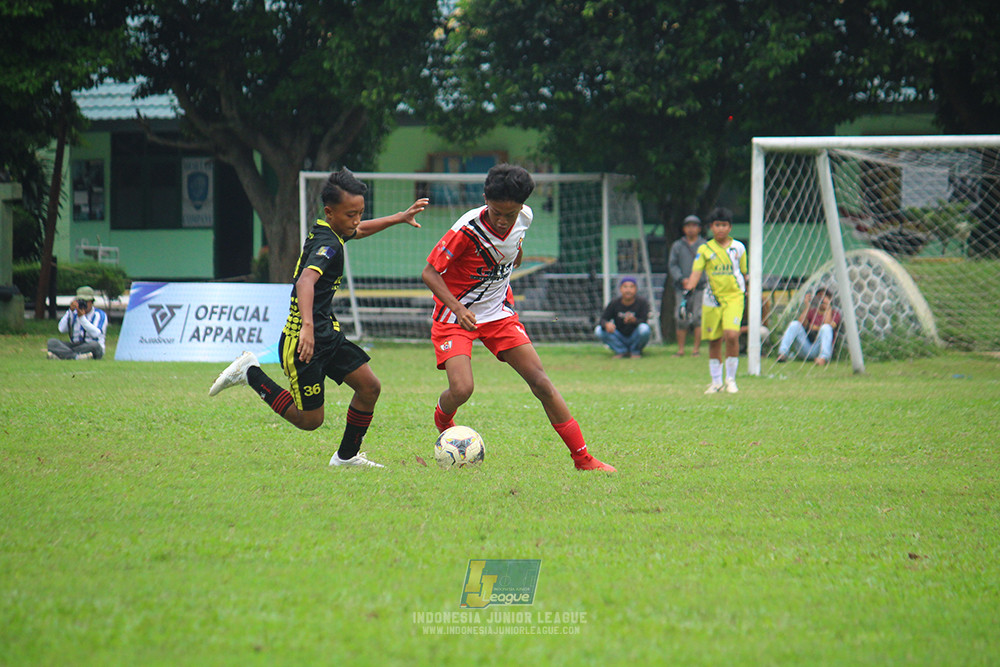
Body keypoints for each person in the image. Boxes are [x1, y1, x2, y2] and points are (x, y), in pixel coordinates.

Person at [209, 168, 428, 468]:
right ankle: (250, 373)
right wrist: (308, 329)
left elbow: (359, 230)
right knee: (310, 420)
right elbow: (304, 283)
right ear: (330, 211)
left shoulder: (334, 230)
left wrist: (399, 217)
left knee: (369, 387)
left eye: (361, 212)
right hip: (303, 339)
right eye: (351, 214)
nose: (357, 220)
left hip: (327, 333)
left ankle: (346, 458)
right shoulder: (327, 243)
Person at [421, 164, 616, 472]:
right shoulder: (466, 229)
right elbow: (429, 272)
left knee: (541, 382)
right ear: (485, 198)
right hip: (455, 315)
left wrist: (512, 254)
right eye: (496, 212)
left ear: (522, 207)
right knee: (462, 389)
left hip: (499, 314)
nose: (502, 220)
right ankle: (443, 418)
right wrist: (459, 309)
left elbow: (514, 250)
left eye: (509, 214)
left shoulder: (524, 218)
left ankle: (583, 458)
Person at [683, 207, 748, 394]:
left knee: (732, 335)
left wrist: (749, 291)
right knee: (714, 340)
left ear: (730, 227)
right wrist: (687, 293)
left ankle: (731, 379)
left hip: (734, 296)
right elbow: (696, 273)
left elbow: (744, 273)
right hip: (712, 299)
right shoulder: (704, 249)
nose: (721, 229)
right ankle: (716, 382)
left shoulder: (738, 248)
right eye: (717, 225)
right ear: (711, 227)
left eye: (724, 225)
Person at [668, 214, 707, 356]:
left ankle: (696, 349)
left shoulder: (704, 245)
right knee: (681, 316)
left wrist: (696, 280)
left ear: (699, 228)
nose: (691, 229)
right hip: (682, 287)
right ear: (684, 228)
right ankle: (681, 349)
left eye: (694, 226)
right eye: (688, 226)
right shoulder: (677, 246)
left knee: (698, 317)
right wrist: (681, 279)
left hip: (700, 287)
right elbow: (672, 265)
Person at [776, 287, 842, 366]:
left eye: (824, 296)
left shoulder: (835, 313)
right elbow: (800, 324)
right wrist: (807, 306)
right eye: (819, 296)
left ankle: (823, 358)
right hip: (806, 347)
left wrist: (828, 307)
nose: (822, 299)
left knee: (826, 328)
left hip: (819, 348)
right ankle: (783, 354)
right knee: (794, 324)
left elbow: (828, 325)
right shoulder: (812, 312)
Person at [595, 276, 651, 358]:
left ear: (636, 289)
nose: (628, 290)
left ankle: (635, 351)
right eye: (625, 287)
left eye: (631, 287)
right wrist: (607, 324)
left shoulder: (642, 303)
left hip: (634, 335)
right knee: (599, 330)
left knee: (644, 329)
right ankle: (621, 351)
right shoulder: (614, 303)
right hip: (619, 335)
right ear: (620, 289)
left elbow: (644, 321)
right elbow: (602, 319)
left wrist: (634, 320)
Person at [47, 285, 108, 360]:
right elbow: (61, 329)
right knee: (52, 342)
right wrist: (70, 311)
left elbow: (96, 334)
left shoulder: (99, 315)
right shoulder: (73, 313)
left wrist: (82, 318)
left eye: (86, 302)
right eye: (80, 301)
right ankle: (76, 357)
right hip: (75, 346)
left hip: (90, 346)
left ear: (92, 302)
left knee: (95, 346)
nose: (83, 304)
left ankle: (63, 355)